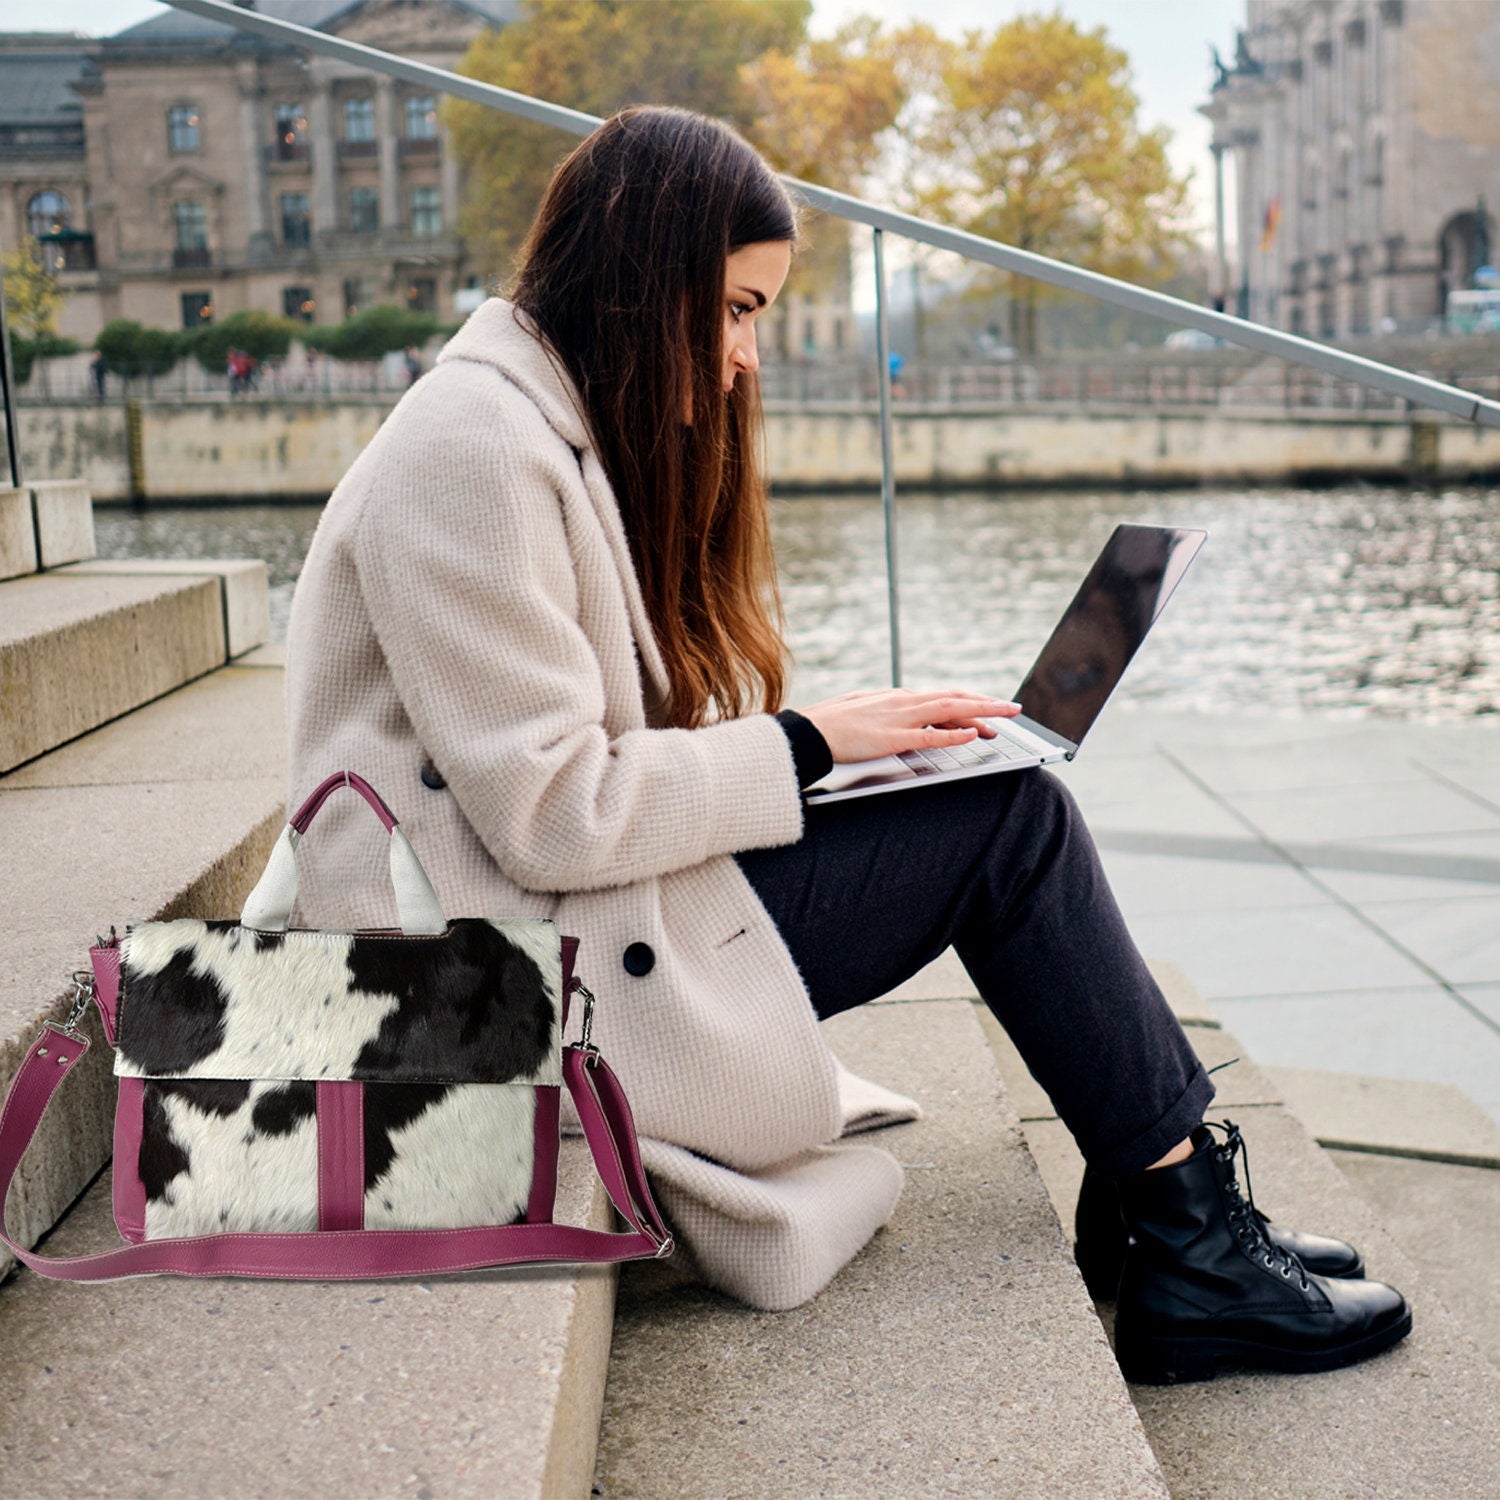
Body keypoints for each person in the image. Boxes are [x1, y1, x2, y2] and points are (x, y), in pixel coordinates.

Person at [283, 106, 1410, 1383]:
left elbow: (557, 784)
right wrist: (807, 746)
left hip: (548, 921)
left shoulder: (526, 427)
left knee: (995, 796)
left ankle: (1165, 1202)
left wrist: (858, 757)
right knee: (1011, 826)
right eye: (735, 310)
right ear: (643, 281)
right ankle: (1187, 1238)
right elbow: (551, 811)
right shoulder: (470, 452)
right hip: (486, 989)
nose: (746, 356)